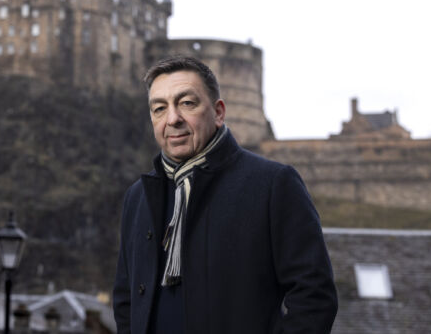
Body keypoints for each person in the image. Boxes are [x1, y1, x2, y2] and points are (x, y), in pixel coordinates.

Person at [112, 56, 338, 334]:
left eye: (187, 103)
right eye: (159, 108)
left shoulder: (272, 184)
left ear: (218, 112)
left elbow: (314, 297)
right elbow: (126, 300)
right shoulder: (138, 196)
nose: (172, 119)